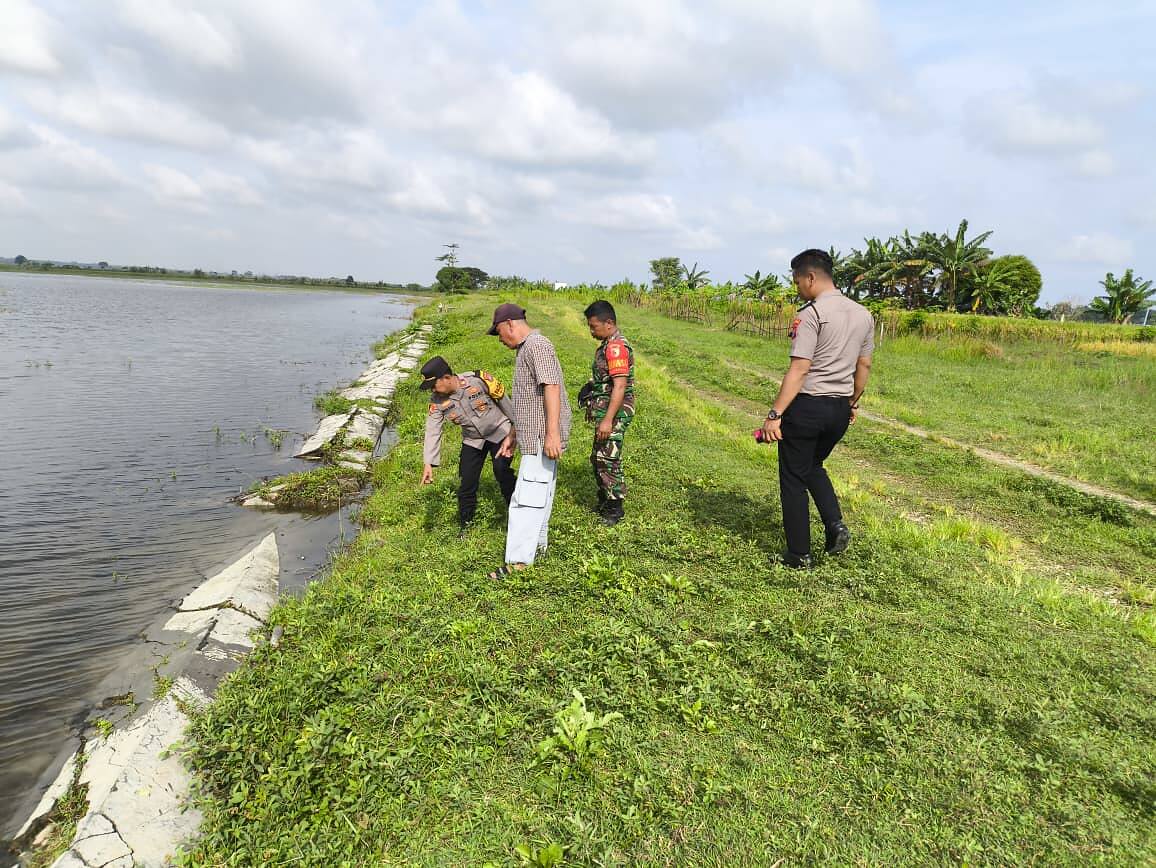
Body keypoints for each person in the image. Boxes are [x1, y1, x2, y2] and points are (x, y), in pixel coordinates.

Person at [762, 248, 874, 568]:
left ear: (811, 277)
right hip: (839, 410)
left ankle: (799, 555)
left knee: (794, 479)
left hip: (808, 408)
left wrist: (775, 415)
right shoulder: (863, 314)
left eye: (797, 281)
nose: (797, 287)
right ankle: (835, 525)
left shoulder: (811, 314)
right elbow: (863, 365)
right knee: (812, 465)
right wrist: (852, 402)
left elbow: (799, 369)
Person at [486, 303, 572, 578]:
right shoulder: (527, 348)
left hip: (541, 437)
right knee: (540, 495)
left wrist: (552, 433)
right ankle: (537, 552)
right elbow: (527, 402)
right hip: (533, 435)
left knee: (527, 500)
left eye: (499, 332)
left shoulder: (537, 345)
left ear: (510, 323)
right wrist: (513, 435)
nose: (500, 339)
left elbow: (552, 387)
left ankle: (518, 563)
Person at [419, 355, 517, 536]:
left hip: (500, 432)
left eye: (434, 385)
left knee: (501, 471)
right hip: (473, 440)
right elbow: (433, 430)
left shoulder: (479, 380)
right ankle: (466, 524)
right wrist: (428, 463)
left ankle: (517, 514)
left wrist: (516, 429)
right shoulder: (437, 401)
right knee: (466, 481)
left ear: (446, 378)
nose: (433, 390)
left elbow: (506, 402)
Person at [579, 300, 635, 526]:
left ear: (609, 323)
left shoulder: (615, 348)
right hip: (606, 411)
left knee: (608, 458)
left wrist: (608, 420)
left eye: (594, 326)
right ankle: (604, 499)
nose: (592, 331)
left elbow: (620, 386)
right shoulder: (607, 344)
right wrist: (590, 388)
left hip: (616, 413)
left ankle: (614, 507)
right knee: (598, 457)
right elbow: (606, 379)